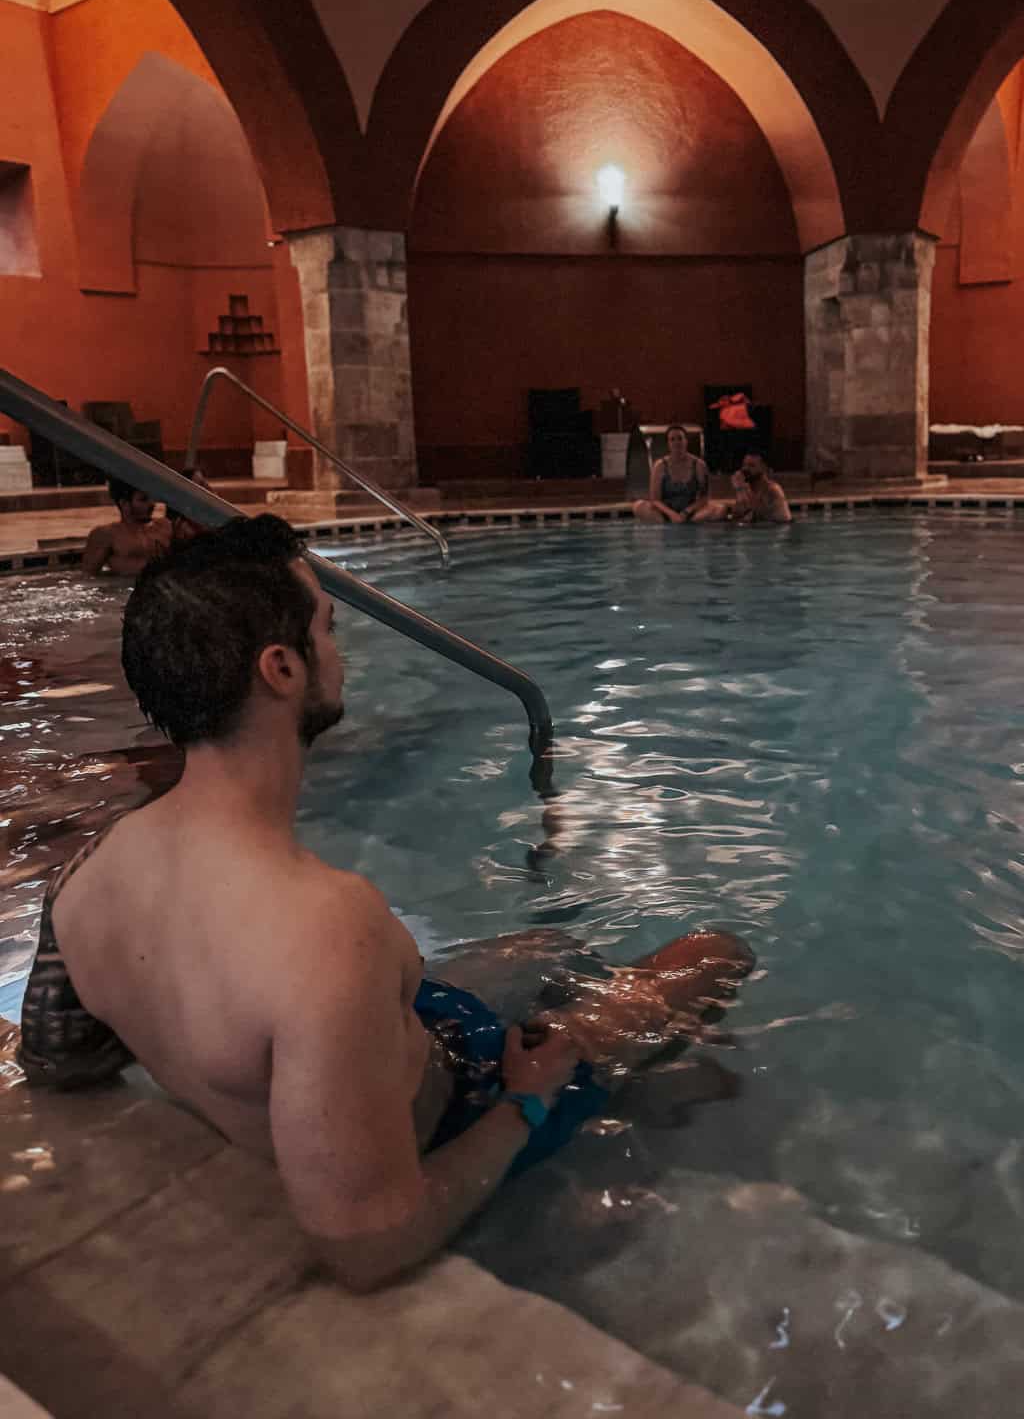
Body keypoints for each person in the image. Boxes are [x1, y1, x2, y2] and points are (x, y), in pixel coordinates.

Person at [18, 516, 753, 1293]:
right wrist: (525, 1104)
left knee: (547, 952)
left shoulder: (86, 875)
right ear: (281, 669)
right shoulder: (327, 929)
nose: (339, 652)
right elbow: (368, 1247)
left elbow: (58, 1062)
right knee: (717, 955)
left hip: (382, 1038)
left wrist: (215, 1048)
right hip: (465, 1101)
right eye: (326, 630)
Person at [80, 477, 171, 577]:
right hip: (129, 585)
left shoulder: (165, 526)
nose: (152, 504)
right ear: (124, 504)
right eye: (143, 499)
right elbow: (87, 577)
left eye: (152, 498)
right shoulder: (106, 534)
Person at [632, 424, 711, 523]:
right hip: (664, 513)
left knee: (720, 509)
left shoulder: (699, 465)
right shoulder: (660, 466)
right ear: (668, 443)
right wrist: (671, 514)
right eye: (672, 439)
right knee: (638, 506)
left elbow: (704, 498)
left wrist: (687, 511)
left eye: (680, 438)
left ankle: (688, 521)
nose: (676, 442)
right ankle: (668, 522)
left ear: (686, 441)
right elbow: (655, 499)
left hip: (690, 512)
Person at [694, 449, 791, 524]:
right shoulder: (749, 487)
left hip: (775, 529)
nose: (745, 469)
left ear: (764, 468)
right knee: (717, 510)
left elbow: (753, 513)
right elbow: (738, 514)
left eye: (751, 466)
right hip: (758, 529)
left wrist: (740, 489)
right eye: (744, 465)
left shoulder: (773, 489)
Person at [166, 464, 212, 547]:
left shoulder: (208, 509)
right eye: (201, 484)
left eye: (205, 482)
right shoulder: (181, 521)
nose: (207, 487)